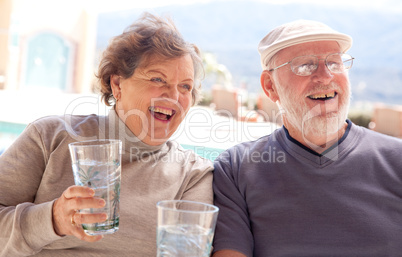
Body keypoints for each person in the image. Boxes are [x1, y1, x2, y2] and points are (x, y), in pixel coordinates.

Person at [0, 13, 213, 256]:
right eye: (158, 79)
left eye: (185, 86)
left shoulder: (193, 175)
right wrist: (53, 219)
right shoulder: (49, 137)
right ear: (117, 85)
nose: (174, 96)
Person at [212, 19, 402, 257]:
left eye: (334, 62)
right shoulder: (236, 169)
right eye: (305, 66)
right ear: (269, 86)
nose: (325, 76)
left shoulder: (397, 161)